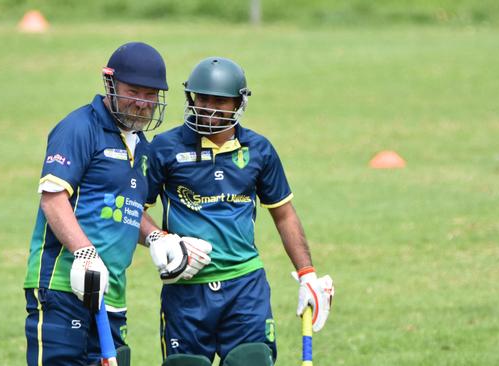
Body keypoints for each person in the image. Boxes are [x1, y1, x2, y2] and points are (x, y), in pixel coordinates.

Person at [140, 57, 335, 366]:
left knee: (252, 360)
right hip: (186, 292)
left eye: (219, 100)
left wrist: (307, 274)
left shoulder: (259, 150)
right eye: (201, 98)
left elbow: (283, 214)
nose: (208, 107)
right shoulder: (164, 148)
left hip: (245, 288)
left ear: (238, 103)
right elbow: (132, 210)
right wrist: (160, 239)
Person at [22, 42, 170, 366]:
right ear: (111, 84)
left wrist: (158, 237)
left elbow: (127, 209)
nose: (143, 104)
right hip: (62, 287)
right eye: (134, 91)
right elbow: (53, 199)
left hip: (112, 294)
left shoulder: (141, 146)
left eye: (151, 95)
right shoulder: (79, 128)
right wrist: (85, 254)